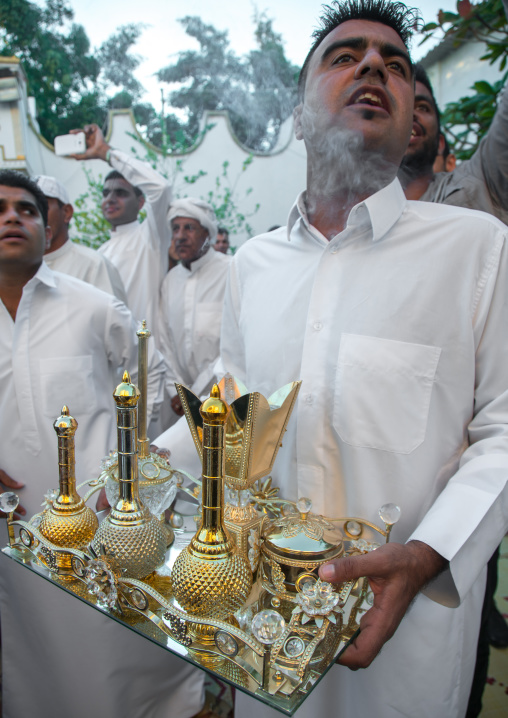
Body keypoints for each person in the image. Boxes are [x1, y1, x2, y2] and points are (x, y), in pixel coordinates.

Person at [211, 2, 508, 717]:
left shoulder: (476, 248)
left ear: (412, 120)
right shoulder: (253, 263)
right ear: (297, 114)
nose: (374, 65)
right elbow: (229, 414)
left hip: (411, 640)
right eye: (345, 56)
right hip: (267, 622)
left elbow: (504, 432)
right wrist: (117, 479)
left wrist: (425, 556)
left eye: (396, 65)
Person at [0, 170, 203, 718]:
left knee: (113, 636)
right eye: (0, 208)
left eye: (26, 208)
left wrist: (131, 461)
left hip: (97, 512)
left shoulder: (89, 304)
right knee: (32, 640)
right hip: (13, 519)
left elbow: (149, 371)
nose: (12, 216)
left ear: (49, 228)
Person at [71, 124, 172, 340]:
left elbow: (161, 188)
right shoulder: (101, 251)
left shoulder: (151, 237)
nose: (110, 199)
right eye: (106, 193)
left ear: (141, 202)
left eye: (121, 193)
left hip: (147, 358)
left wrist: (107, 153)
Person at [399, 60, 508, 223]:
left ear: (440, 144)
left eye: (422, 107)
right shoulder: (355, 215)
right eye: (401, 106)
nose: (412, 114)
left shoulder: (481, 179)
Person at [159, 198, 230, 421]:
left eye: (189, 228)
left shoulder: (230, 271)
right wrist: (179, 392)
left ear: (208, 234)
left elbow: (234, 345)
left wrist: (197, 393)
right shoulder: (171, 280)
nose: (180, 236)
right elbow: (164, 342)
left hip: (224, 397)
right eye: (175, 229)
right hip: (180, 404)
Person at [36, 174, 128, 302]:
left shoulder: (94, 266)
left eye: (41, 207)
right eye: (27, 210)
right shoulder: (18, 269)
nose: (35, 216)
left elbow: (119, 321)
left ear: (67, 212)